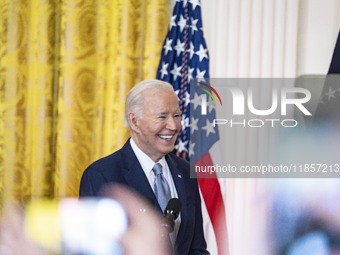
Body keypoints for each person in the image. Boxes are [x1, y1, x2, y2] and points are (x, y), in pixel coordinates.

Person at [79, 79, 210, 255]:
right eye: (162, 116)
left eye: (177, 116)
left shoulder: (186, 172)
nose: (173, 126)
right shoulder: (101, 176)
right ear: (134, 121)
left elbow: (196, 249)